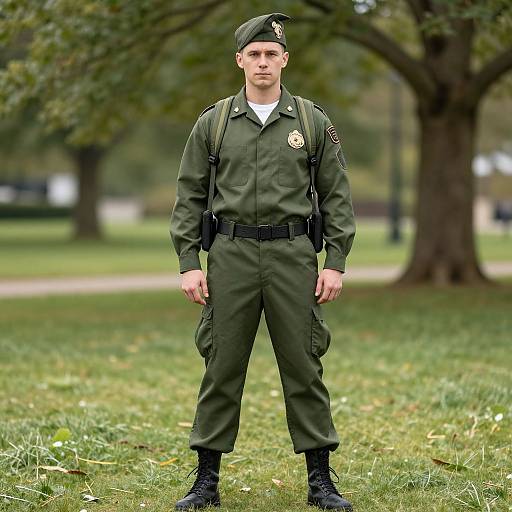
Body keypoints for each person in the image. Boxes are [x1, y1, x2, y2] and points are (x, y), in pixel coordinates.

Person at [169, 12, 356, 511]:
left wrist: (334, 261)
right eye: (254, 54)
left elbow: (336, 198)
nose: (263, 62)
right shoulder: (213, 123)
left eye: (271, 54)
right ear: (239, 61)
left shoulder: (312, 122)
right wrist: (189, 262)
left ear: (285, 60)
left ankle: (321, 480)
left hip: (294, 256)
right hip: (229, 256)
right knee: (222, 366)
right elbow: (189, 196)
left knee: (303, 366)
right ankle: (205, 480)